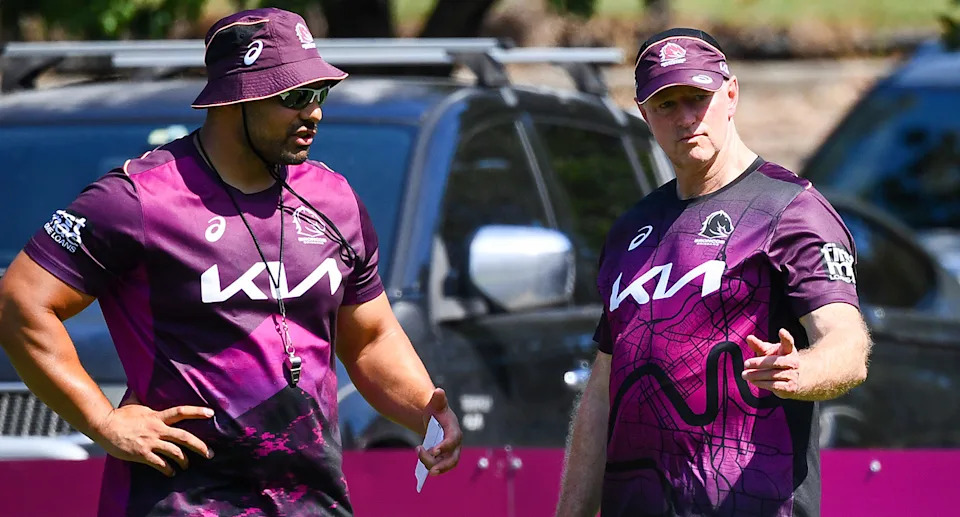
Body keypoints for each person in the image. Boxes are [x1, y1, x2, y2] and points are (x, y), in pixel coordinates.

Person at [0, 8, 461, 516]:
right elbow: (21, 302)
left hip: (312, 503)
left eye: (319, 94)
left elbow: (370, 337)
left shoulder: (335, 200)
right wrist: (104, 422)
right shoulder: (136, 199)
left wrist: (426, 410)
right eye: (293, 96)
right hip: (177, 503)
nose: (314, 113)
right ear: (235, 98)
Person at [555, 28, 871, 517]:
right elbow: (602, 387)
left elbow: (849, 347)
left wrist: (800, 370)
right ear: (645, 114)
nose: (685, 118)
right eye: (666, 104)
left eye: (697, 98)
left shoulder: (791, 209)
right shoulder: (629, 229)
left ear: (730, 93)